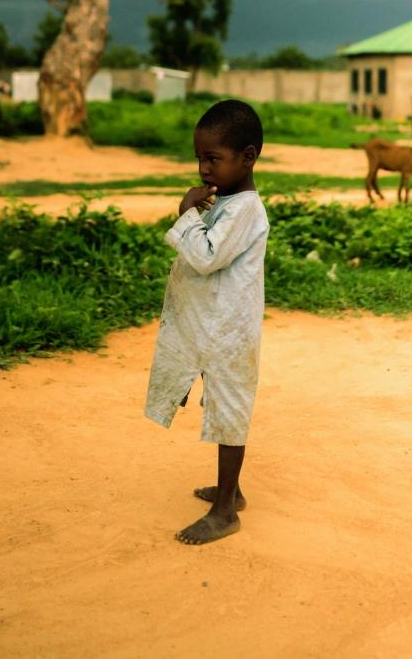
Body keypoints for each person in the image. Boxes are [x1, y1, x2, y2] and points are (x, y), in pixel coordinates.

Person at [144, 99, 269, 546]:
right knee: (221, 407)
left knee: (229, 412)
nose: (203, 168)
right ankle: (229, 490)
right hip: (211, 327)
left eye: (214, 158)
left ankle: (224, 512)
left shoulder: (245, 210)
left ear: (247, 157)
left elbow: (206, 255)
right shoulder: (226, 202)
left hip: (231, 334)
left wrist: (186, 213)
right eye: (199, 157)